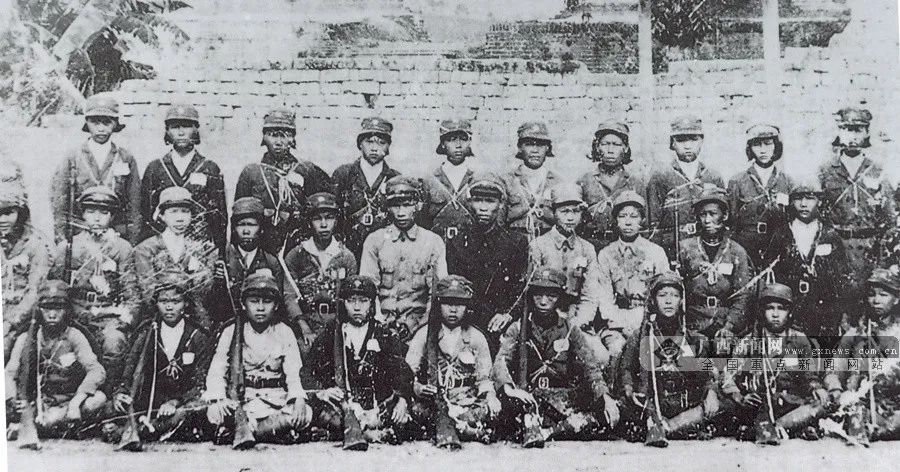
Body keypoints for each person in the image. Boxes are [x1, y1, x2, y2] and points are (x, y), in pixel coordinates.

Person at [493, 267, 618, 444]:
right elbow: (501, 360)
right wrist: (509, 388)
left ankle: (549, 432)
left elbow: (590, 366)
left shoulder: (570, 329)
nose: (543, 301)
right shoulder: (518, 328)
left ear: (559, 298)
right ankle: (552, 428)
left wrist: (605, 396)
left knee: (604, 416)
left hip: (561, 398)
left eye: (551, 296)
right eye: (538, 295)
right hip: (528, 396)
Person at [203, 271, 312, 445]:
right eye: (254, 301)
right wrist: (219, 398)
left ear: (276, 305)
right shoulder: (231, 331)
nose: (260, 308)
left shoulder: (284, 331)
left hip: (275, 400)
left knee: (303, 414)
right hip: (243, 399)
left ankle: (251, 430)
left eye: (267, 301)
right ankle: (272, 430)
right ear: (243, 304)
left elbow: (294, 373)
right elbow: (218, 369)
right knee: (214, 412)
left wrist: (298, 398)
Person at [304, 275, 412, 443]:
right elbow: (308, 370)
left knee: (402, 418)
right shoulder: (332, 332)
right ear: (343, 303)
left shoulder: (382, 333)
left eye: (363, 301)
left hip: (375, 406)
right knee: (325, 415)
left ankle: (364, 430)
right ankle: (367, 433)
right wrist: (324, 391)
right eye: (351, 301)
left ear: (372, 303)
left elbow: (402, 371)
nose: (356, 307)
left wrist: (402, 399)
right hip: (343, 406)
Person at [618, 271, 722, 447]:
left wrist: (711, 391)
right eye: (662, 295)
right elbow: (626, 368)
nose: (668, 301)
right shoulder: (640, 336)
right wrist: (629, 389)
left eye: (674, 296)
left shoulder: (694, 339)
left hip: (684, 405)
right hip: (652, 403)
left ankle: (670, 426)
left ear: (681, 301)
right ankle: (666, 426)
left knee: (718, 405)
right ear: (653, 300)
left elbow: (707, 370)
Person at [109, 273, 213, 444]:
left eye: (175, 301)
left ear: (186, 303)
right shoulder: (148, 332)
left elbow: (200, 383)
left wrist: (175, 402)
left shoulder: (197, 335)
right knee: (111, 407)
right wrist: (121, 392)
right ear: (156, 303)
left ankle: (140, 430)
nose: (169, 307)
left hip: (182, 401)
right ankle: (148, 427)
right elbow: (130, 369)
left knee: (196, 408)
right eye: (163, 301)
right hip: (150, 401)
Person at [48, 186, 139, 378]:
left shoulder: (122, 248)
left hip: (108, 315)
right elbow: (56, 289)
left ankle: (110, 390)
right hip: (75, 313)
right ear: (83, 214)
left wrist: (125, 319)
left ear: (112, 216)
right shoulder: (69, 248)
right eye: (91, 212)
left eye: (104, 213)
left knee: (114, 341)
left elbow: (131, 290)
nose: (97, 218)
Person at [721, 284, 830, 444]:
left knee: (821, 404)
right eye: (770, 308)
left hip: (790, 403)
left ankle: (777, 426)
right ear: (762, 311)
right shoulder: (749, 341)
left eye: (781, 309)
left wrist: (816, 388)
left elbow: (810, 375)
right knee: (727, 404)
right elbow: (728, 376)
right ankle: (791, 427)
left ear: (789, 312)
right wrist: (740, 397)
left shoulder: (799, 340)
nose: (775, 314)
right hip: (759, 404)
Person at [5, 280, 107, 439]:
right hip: (35, 403)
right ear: (39, 310)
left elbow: (96, 371)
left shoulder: (74, 336)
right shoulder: (27, 337)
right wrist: (11, 398)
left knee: (98, 399)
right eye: (47, 309)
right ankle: (48, 426)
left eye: (58, 309)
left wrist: (76, 402)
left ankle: (39, 427)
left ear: (66, 310)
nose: (52, 314)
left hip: (67, 402)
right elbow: (9, 373)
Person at [817, 107, 895, 314]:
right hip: (837, 250)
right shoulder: (825, 171)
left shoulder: (878, 171)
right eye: (847, 129)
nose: (852, 136)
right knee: (836, 307)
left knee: (869, 306)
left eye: (858, 130)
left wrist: (882, 255)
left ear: (866, 133)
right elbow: (818, 214)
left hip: (870, 251)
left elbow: (889, 218)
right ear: (839, 132)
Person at [405, 275, 501, 443]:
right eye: (448, 303)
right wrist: (418, 388)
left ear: (467, 306)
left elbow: (485, 377)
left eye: (459, 304)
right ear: (439, 304)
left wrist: (490, 396)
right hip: (433, 403)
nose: (453, 310)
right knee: (415, 410)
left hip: (466, 402)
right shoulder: (424, 334)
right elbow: (407, 373)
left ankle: (457, 427)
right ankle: (466, 431)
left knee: (486, 410)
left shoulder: (476, 337)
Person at [762, 179, 850, 349]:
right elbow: (770, 275)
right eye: (798, 199)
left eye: (809, 198)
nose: (803, 204)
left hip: (823, 312)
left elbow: (841, 278)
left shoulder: (829, 235)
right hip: (791, 312)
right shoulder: (781, 234)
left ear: (819, 201)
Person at [359, 176, 448, 341]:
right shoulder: (375, 240)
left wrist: (418, 327)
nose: (401, 212)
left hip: (420, 326)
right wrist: (379, 323)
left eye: (407, 205)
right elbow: (368, 289)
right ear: (388, 208)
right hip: (380, 323)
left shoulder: (432, 242)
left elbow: (437, 294)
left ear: (418, 205)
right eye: (395, 206)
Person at [446, 173, 528, 349]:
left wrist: (508, 314)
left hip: (502, 322)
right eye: (478, 200)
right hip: (467, 321)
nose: (483, 207)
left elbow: (520, 288)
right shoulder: (457, 242)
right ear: (470, 203)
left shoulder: (516, 242)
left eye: (490, 201)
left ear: (500, 204)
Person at [234, 108, 332, 254]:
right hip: (261, 246)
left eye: (285, 136)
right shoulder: (251, 173)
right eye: (273, 135)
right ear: (264, 137)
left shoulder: (306, 170)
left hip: (297, 245)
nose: (278, 142)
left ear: (292, 139)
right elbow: (239, 218)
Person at [50, 93, 142, 244]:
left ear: (115, 124)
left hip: (115, 236)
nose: (101, 128)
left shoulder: (125, 157)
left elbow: (135, 203)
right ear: (87, 123)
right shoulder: (73, 157)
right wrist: (62, 239)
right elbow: (59, 202)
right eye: (95, 122)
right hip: (80, 234)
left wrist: (132, 242)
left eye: (107, 123)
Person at [824, 268, 900, 443]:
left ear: (896, 299)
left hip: (894, 404)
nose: (876, 300)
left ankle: (873, 429)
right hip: (861, 401)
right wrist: (835, 389)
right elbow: (834, 370)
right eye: (872, 295)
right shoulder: (855, 334)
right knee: (852, 412)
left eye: (883, 295)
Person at [140, 104, 227, 252]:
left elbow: (218, 217)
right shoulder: (155, 168)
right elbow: (147, 215)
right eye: (175, 127)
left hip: (199, 246)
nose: (181, 133)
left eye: (186, 126)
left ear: (196, 129)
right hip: (163, 247)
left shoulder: (209, 168)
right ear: (167, 131)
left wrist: (219, 253)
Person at [677, 185, 754, 341]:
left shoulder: (736, 251)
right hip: (693, 324)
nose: (707, 220)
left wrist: (729, 326)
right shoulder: (685, 248)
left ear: (724, 215)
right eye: (703, 214)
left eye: (713, 214)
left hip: (724, 323)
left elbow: (742, 296)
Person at [134, 187, 216, 328]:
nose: (180, 218)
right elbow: (148, 292)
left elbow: (204, 292)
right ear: (162, 216)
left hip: (193, 316)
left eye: (185, 211)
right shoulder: (146, 249)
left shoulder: (199, 248)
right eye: (173, 212)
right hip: (158, 315)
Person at [647, 116, 726, 261]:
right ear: (672, 143)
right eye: (681, 140)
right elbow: (653, 222)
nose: (688, 146)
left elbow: (723, 220)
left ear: (701, 141)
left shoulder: (713, 176)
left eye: (693, 140)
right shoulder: (661, 177)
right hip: (672, 249)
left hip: (706, 249)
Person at [594, 190, 669, 338]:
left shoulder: (655, 252)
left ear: (642, 220)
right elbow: (605, 300)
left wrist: (641, 323)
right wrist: (622, 325)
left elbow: (664, 293)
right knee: (615, 347)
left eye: (634, 216)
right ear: (615, 220)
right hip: (616, 324)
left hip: (649, 320)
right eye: (622, 216)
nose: (628, 222)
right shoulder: (606, 254)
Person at [284, 192, 357, 343]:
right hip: (306, 324)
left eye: (329, 218)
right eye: (317, 219)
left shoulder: (346, 256)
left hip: (338, 326)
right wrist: (304, 327)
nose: (324, 224)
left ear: (336, 221)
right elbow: (289, 296)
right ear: (309, 222)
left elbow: (352, 296)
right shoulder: (296, 255)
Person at [207, 196, 284, 326]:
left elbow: (278, 303)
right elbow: (210, 303)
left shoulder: (271, 261)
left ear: (261, 228)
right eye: (241, 225)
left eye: (252, 225)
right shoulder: (222, 258)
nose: (246, 231)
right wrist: (217, 283)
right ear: (234, 228)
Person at [331, 117, 401, 258]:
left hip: (384, 252)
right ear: (360, 144)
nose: (374, 148)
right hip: (348, 251)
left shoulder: (395, 179)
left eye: (382, 143)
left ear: (388, 147)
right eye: (369, 142)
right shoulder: (344, 175)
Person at [1, 167, 52, 359]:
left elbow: (35, 292)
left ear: (20, 212)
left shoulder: (34, 245)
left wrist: (10, 322)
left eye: (8, 213)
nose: (2, 220)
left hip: (21, 317)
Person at [727, 124, 794, 267]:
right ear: (750, 148)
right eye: (757, 145)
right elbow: (731, 223)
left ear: (776, 146)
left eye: (768, 144)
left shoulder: (787, 181)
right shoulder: (738, 181)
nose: (763, 150)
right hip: (747, 248)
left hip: (778, 248)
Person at [576, 121, 646, 250]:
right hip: (591, 246)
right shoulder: (585, 181)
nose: (610, 150)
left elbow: (644, 223)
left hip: (625, 247)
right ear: (597, 147)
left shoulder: (635, 182)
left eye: (616, 145)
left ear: (625, 148)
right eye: (605, 144)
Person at [420, 119, 477, 242]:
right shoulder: (430, 180)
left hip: (470, 246)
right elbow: (422, 222)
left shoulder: (476, 179)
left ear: (469, 142)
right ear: (442, 144)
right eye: (451, 139)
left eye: (463, 139)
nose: (458, 145)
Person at [502, 122, 560, 242]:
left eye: (540, 145)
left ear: (548, 148)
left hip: (548, 244)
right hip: (514, 244)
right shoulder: (507, 180)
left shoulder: (557, 183)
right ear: (520, 147)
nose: (535, 150)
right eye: (529, 144)